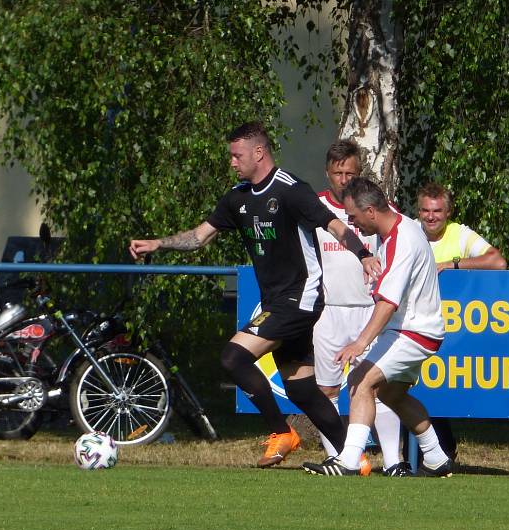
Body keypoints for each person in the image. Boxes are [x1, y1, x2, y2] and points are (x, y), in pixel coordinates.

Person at [129, 121, 380, 472]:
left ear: (259, 153)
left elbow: (334, 226)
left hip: (300, 298)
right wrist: (158, 243)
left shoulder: (291, 190)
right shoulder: (237, 197)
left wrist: (363, 254)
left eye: (237, 155)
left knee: (233, 358)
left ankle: (282, 433)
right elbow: (200, 237)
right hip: (278, 301)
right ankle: (357, 460)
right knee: (302, 390)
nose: (232, 162)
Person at [302, 177, 453, 477]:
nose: (354, 226)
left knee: (360, 381)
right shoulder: (402, 229)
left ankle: (347, 462)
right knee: (391, 395)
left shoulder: (401, 240)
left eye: (355, 217)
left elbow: (388, 303)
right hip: (419, 330)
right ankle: (437, 458)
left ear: (371, 211)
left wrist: (359, 343)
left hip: (412, 331)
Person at [314, 140, 409, 476]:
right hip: (329, 310)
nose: (343, 179)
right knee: (326, 390)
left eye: (349, 173)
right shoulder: (315, 208)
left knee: (375, 386)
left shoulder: (378, 210)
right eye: (337, 173)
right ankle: (340, 457)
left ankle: (394, 462)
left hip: (370, 309)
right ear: (327, 173)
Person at [416, 181, 507, 460]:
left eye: (437, 211)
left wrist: (452, 265)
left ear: (448, 211)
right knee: (409, 388)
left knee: (437, 388)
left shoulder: (460, 234)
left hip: (452, 330)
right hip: (410, 324)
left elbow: (498, 262)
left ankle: (443, 449)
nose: (431, 217)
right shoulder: (408, 231)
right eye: (425, 211)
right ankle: (413, 454)